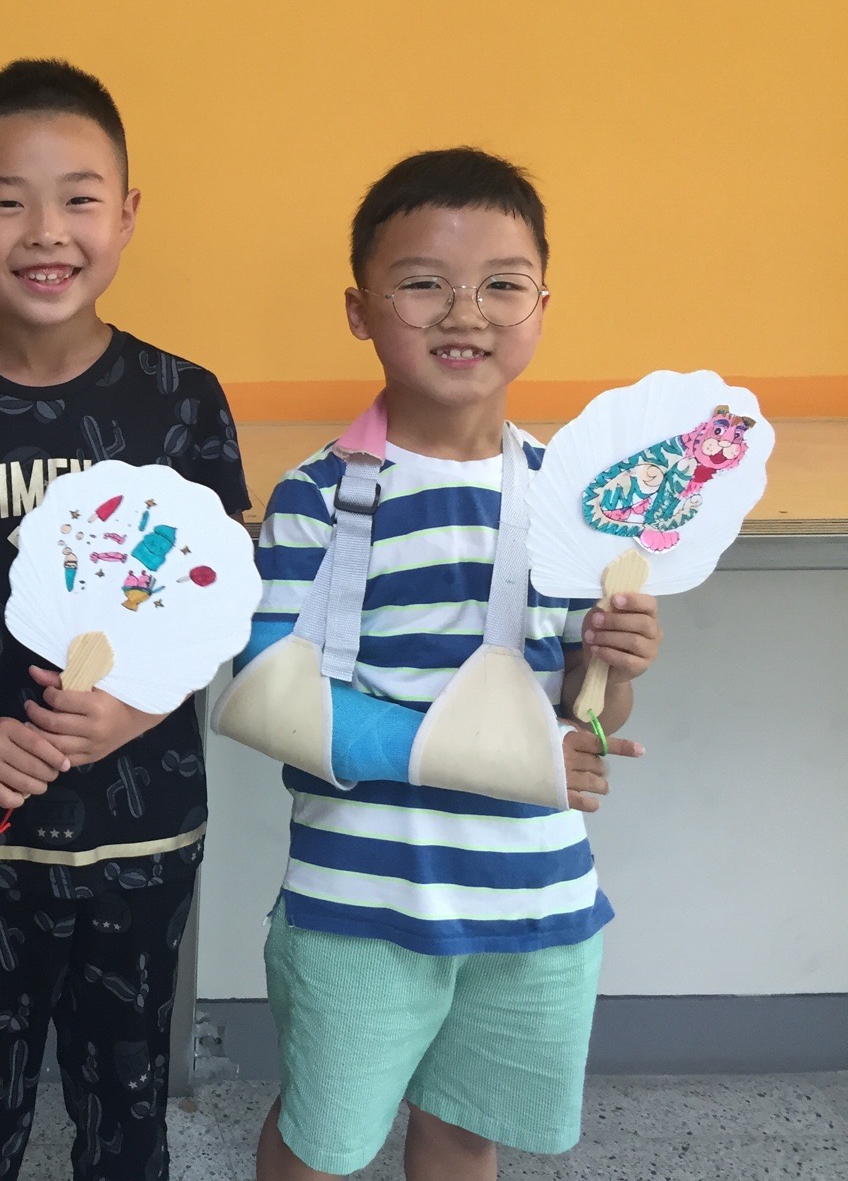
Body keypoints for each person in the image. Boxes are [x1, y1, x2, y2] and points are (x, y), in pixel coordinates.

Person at [229, 148, 661, 1179]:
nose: (465, 313)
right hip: (360, 906)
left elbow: (586, 719)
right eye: (424, 283)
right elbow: (267, 700)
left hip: (533, 899)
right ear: (360, 309)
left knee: (466, 1130)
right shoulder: (314, 497)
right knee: (322, 1144)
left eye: (502, 286)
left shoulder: (575, 502)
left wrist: (622, 666)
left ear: (542, 308)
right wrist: (498, 756)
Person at [0, 59, 249, 1181]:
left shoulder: (184, 402)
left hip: (141, 834)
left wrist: (132, 713)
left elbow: (219, 603)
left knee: (126, 1107)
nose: (46, 231)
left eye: (79, 198)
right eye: (7, 201)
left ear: (126, 215)